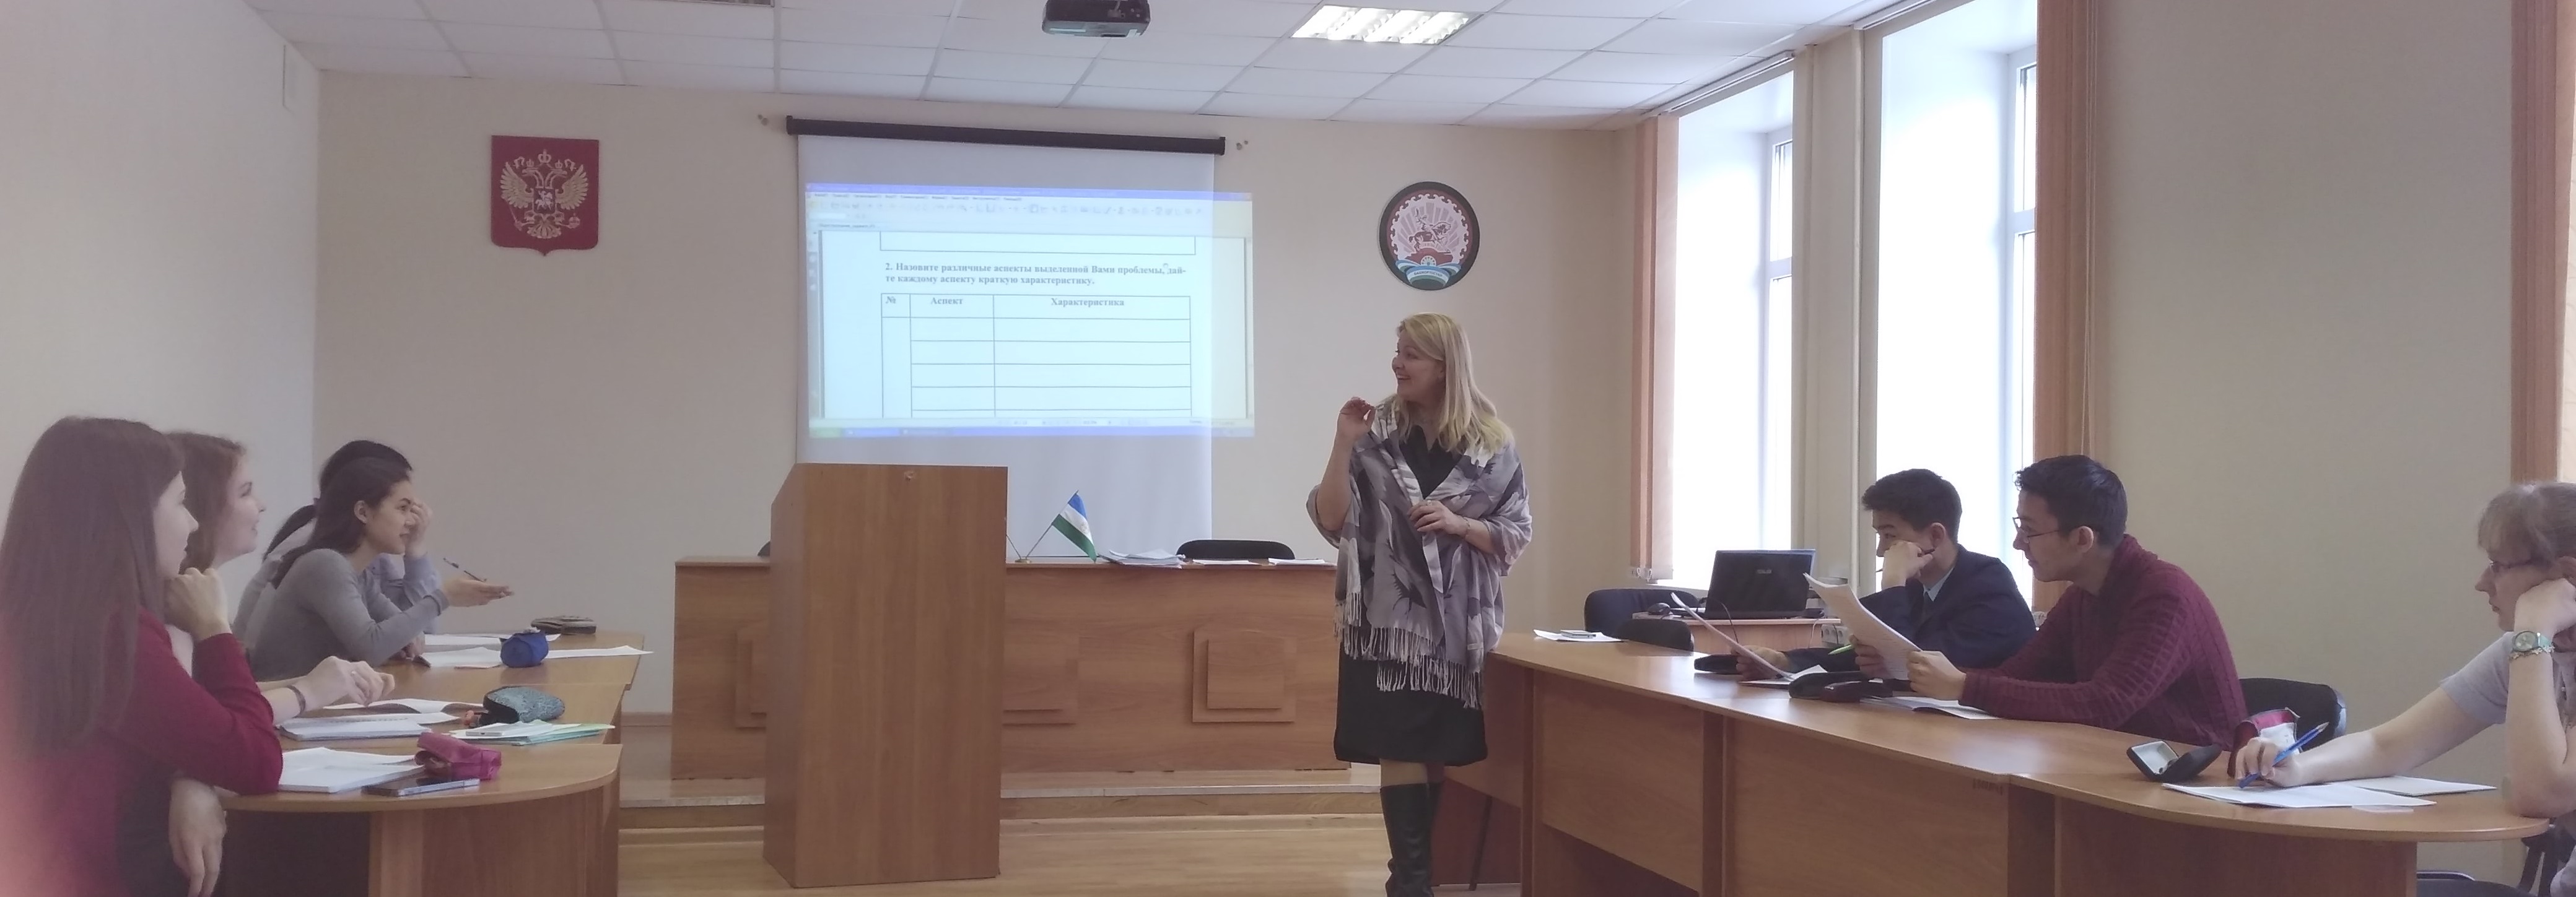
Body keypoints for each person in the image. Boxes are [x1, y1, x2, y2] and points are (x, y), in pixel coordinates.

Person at [0, 417, 378, 897]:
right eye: (180, 502)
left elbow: (182, 726)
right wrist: (215, 629)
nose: (192, 522)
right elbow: (255, 761)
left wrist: (190, 774)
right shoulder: (112, 632)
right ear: (131, 514)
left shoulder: (42, 614)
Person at [2235, 482, 2576, 894]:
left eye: (2498, 566)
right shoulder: (2523, 651)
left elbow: (2541, 794)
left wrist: (2533, 633)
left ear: (2566, 575)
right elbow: (2388, 744)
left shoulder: (2528, 646)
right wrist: (2298, 767)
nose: (2482, 583)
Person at [1308, 313, 1532, 897]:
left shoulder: (1491, 444)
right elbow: (1330, 517)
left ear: (1444, 366)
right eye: (1398, 350)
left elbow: (1515, 532)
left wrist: (1461, 523)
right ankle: (1412, 883)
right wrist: (1342, 441)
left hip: (1454, 628)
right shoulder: (1375, 433)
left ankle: (1409, 878)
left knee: (1429, 750)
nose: (1396, 362)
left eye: (1411, 354)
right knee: (1401, 743)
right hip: (1384, 623)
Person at [159, 433, 393, 897]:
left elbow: (208, 707)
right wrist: (308, 692)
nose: (262, 505)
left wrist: (316, 682)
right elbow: (208, 730)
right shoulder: (172, 613)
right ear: (201, 507)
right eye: (246, 492)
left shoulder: (195, 592)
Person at [1902, 454, 2245, 745]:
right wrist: (1936, 678)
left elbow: (2105, 704)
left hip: (2199, 777)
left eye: (2029, 530)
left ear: (2082, 539)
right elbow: (2019, 675)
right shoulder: (2082, 596)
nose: (2018, 543)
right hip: (2115, 759)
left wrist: (1964, 686)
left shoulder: (2164, 595)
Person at [1736, 469, 2033, 678]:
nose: (1881, 551)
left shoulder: (1989, 588)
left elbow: (1909, 667)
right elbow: (1867, 657)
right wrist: (1786, 662)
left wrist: (1893, 583)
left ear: (1935, 535)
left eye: (1890, 535)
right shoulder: (1917, 589)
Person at [243, 457, 499, 680]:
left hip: (319, 704)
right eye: (403, 509)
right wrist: (444, 597)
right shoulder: (324, 565)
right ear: (363, 512)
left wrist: (400, 639)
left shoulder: (359, 573)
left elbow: (411, 633)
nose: (412, 521)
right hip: (284, 709)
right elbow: (372, 646)